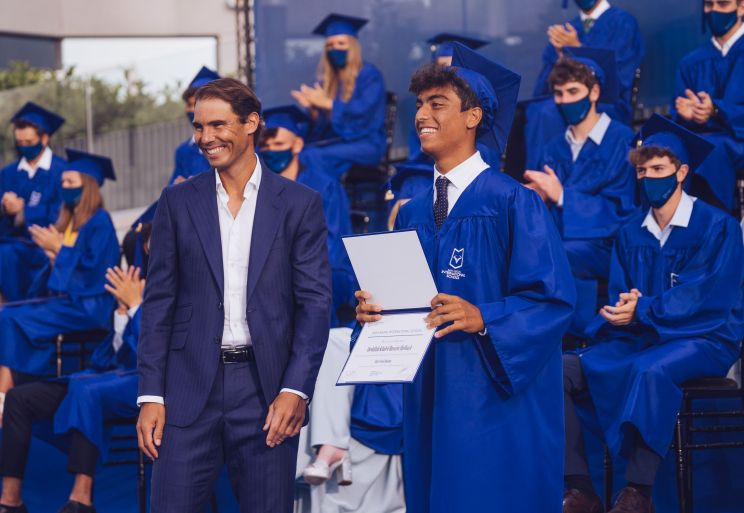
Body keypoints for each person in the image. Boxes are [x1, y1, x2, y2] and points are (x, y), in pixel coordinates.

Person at [355, 43, 576, 513]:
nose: (421, 115)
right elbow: (403, 301)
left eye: (437, 104)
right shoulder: (412, 210)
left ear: (474, 116)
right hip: (430, 388)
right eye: (419, 105)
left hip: (490, 391)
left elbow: (552, 301)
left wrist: (485, 316)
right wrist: (374, 312)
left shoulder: (513, 200)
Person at [136, 78, 332, 513]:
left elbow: (315, 305)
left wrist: (295, 390)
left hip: (265, 391)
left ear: (251, 124)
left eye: (218, 125)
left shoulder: (300, 204)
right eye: (199, 126)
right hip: (186, 389)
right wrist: (151, 395)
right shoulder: (177, 201)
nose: (206, 138)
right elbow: (159, 304)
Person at [562, 115, 744, 513]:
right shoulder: (630, 232)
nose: (649, 179)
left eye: (658, 170)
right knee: (560, 368)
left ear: (681, 172)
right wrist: (617, 312)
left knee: (650, 370)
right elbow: (621, 293)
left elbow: (706, 297)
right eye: (642, 171)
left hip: (705, 338)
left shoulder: (718, 227)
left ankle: (637, 493)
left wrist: (642, 308)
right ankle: (580, 488)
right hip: (642, 335)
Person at [0, 232, 148, 513]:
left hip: (141, 382)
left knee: (86, 392)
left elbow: (152, 355)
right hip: (106, 374)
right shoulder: (135, 289)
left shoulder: (173, 292)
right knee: (20, 400)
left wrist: (137, 308)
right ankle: (10, 500)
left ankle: (82, 499)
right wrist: (121, 315)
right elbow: (105, 356)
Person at [524, 49, 636, 335]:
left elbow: (622, 212)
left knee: (559, 253)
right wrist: (537, 198)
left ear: (594, 91)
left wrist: (562, 196)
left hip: (606, 244)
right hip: (561, 237)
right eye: (559, 94)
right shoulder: (553, 148)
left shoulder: (623, 142)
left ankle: (576, 335)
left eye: (574, 91)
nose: (565, 100)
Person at [0, 149, 120, 407]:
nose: (63, 187)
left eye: (70, 182)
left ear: (87, 186)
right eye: (62, 182)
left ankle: (4, 395)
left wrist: (59, 250)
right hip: (71, 301)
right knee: (8, 313)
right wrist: (52, 254)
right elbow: (65, 271)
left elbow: (95, 275)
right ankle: (12, 389)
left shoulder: (100, 222)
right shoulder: (69, 222)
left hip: (91, 306)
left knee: (10, 317)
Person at [258, 105, 354, 327]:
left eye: (279, 144)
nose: (271, 150)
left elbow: (334, 245)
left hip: (324, 272)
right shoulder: (259, 188)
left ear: (297, 144)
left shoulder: (324, 186)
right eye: (266, 145)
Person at [524, 0, 644, 168]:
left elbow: (620, 81)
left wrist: (577, 49)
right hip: (566, 101)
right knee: (536, 110)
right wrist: (560, 60)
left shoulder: (623, 23)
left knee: (547, 112)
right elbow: (542, 91)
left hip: (608, 105)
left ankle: (546, 177)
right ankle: (536, 182)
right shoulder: (566, 31)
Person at [296, 328, 405, 513]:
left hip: (387, 351)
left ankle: (331, 444)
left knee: (334, 340)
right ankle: (331, 444)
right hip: (324, 392)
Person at [292, 14, 386, 181]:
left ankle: (325, 203)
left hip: (367, 143)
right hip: (341, 142)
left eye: (341, 43)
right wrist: (314, 108)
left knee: (312, 156)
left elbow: (364, 112)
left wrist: (328, 103)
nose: (334, 49)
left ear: (353, 46)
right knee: (299, 152)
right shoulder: (330, 80)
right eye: (330, 45)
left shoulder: (369, 75)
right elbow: (326, 126)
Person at [671, 0, 744, 211]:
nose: (713, 11)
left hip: (736, 141)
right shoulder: (691, 62)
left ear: (741, 7)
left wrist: (717, 110)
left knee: (711, 151)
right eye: (709, 5)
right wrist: (686, 115)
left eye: (722, 4)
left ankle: (718, 226)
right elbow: (678, 114)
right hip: (706, 141)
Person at [0, 102, 65, 302]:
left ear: (44, 138)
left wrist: (24, 211)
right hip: (11, 244)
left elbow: (62, 211)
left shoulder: (62, 170)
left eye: (29, 142)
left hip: (44, 244)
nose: (24, 147)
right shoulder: (8, 173)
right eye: (20, 142)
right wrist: (5, 207)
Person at [167, 66, 221, 186]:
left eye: (195, 104)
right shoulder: (183, 151)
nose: (191, 109)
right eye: (188, 104)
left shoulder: (230, 143)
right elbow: (173, 186)